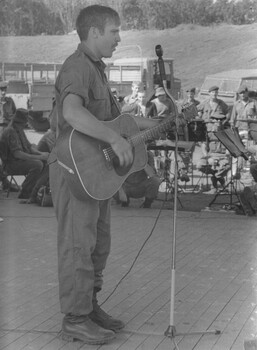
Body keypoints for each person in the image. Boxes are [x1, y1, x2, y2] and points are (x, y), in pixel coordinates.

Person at [49, 5, 164, 346]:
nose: (119, 38)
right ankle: (75, 319)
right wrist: (114, 139)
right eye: (114, 32)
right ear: (95, 32)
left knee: (98, 244)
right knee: (77, 245)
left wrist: (161, 125)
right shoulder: (77, 67)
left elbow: (119, 124)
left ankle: (90, 306)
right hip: (73, 171)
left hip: (93, 174)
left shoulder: (96, 70)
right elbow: (71, 112)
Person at [0, 108, 49, 199]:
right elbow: (18, 154)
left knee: (45, 162)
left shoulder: (19, 130)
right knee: (37, 164)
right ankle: (25, 191)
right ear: (20, 122)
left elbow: (29, 147)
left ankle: (35, 188)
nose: (26, 124)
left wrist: (41, 154)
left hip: (19, 162)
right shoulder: (11, 132)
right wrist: (40, 157)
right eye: (25, 123)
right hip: (10, 164)